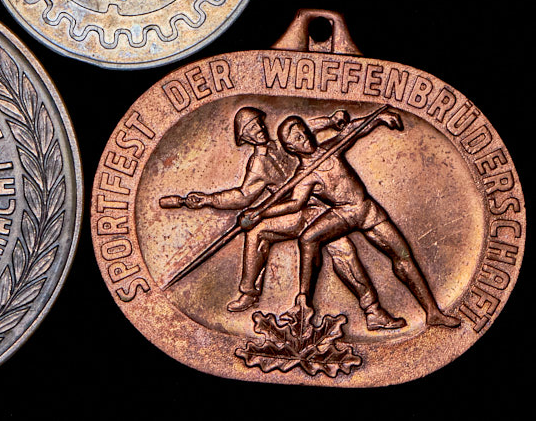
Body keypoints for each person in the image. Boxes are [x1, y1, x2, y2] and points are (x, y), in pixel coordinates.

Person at [184, 107, 405, 330]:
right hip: (292, 212)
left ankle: (373, 311)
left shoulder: (284, 141)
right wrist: (208, 200)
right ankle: (249, 292)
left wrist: (330, 120)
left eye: (258, 122)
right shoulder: (258, 165)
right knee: (257, 232)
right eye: (251, 128)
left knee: (343, 250)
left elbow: (308, 127)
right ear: (245, 137)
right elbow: (244, 195)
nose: (259, 128)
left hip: (322, 207)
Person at [247, 110, 460, 328]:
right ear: (292, 148)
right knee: (308, 238)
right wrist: (260, 212)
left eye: (304, 132)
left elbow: (352, 131)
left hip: (367, 211)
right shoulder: (305, 175)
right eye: (298, 138)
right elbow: (294, 203)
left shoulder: (331, 148)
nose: (305, 138)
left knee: (402, 255)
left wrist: (377, 119)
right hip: (344, 214)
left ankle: (432, 312)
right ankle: (303, 301)